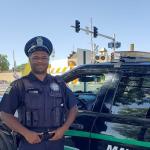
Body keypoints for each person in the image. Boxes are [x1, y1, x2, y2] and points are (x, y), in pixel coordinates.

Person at [0, 36, 78, 150]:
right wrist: (26, 133)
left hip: (56, 142)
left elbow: (74, 108)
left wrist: (63, 129)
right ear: (29, 59)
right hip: (30, 143)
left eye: (44, 57)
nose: (40, 61)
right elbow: (4, 114)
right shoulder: (19, 85)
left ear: (48, 60)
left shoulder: (60, 84)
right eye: (35, 57)